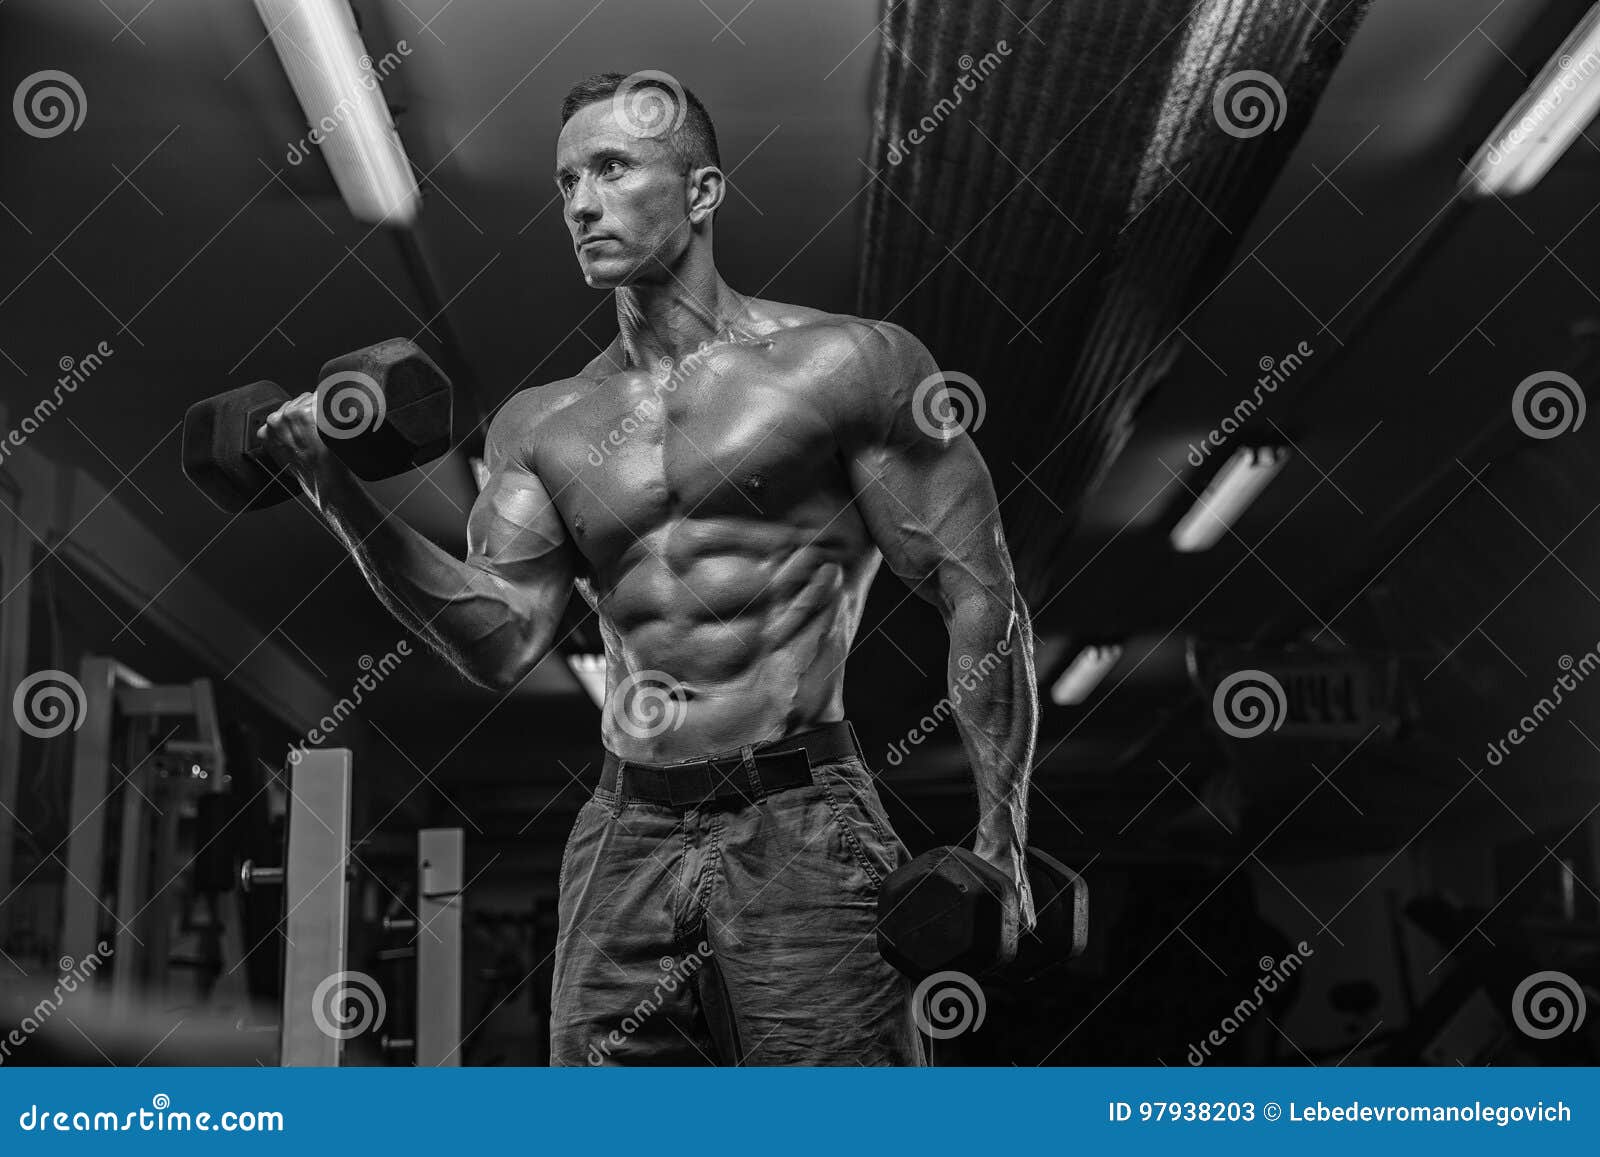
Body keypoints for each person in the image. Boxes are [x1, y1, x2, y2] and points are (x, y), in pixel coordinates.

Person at [258, 71, 1037, 1065]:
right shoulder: (540, 423)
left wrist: (1000, 835)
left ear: (702, 192)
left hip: (800, 809)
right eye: (565, 181)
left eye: (612, 169)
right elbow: (499, 638)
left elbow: (978, 591)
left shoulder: (851, 365)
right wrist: (340, 499)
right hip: (624, 817)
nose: (580, 202)